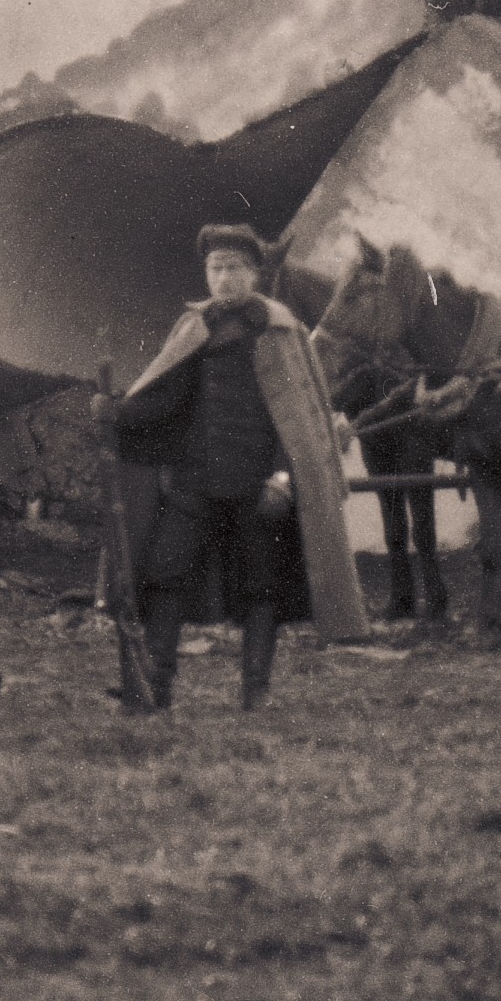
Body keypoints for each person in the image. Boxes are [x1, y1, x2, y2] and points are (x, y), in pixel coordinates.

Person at [101, 223, 353, 713]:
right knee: (165, 574)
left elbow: (299, 419)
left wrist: (283, 479)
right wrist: (114, 411)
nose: (223, 278)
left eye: (234, 268)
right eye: (215, 268)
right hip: (194, 481)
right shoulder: (193, 327)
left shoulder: (281, 330)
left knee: (260, 588)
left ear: (255, 273)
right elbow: (163, 399)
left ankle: (254, 692)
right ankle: (156, 688)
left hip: (258, 486)